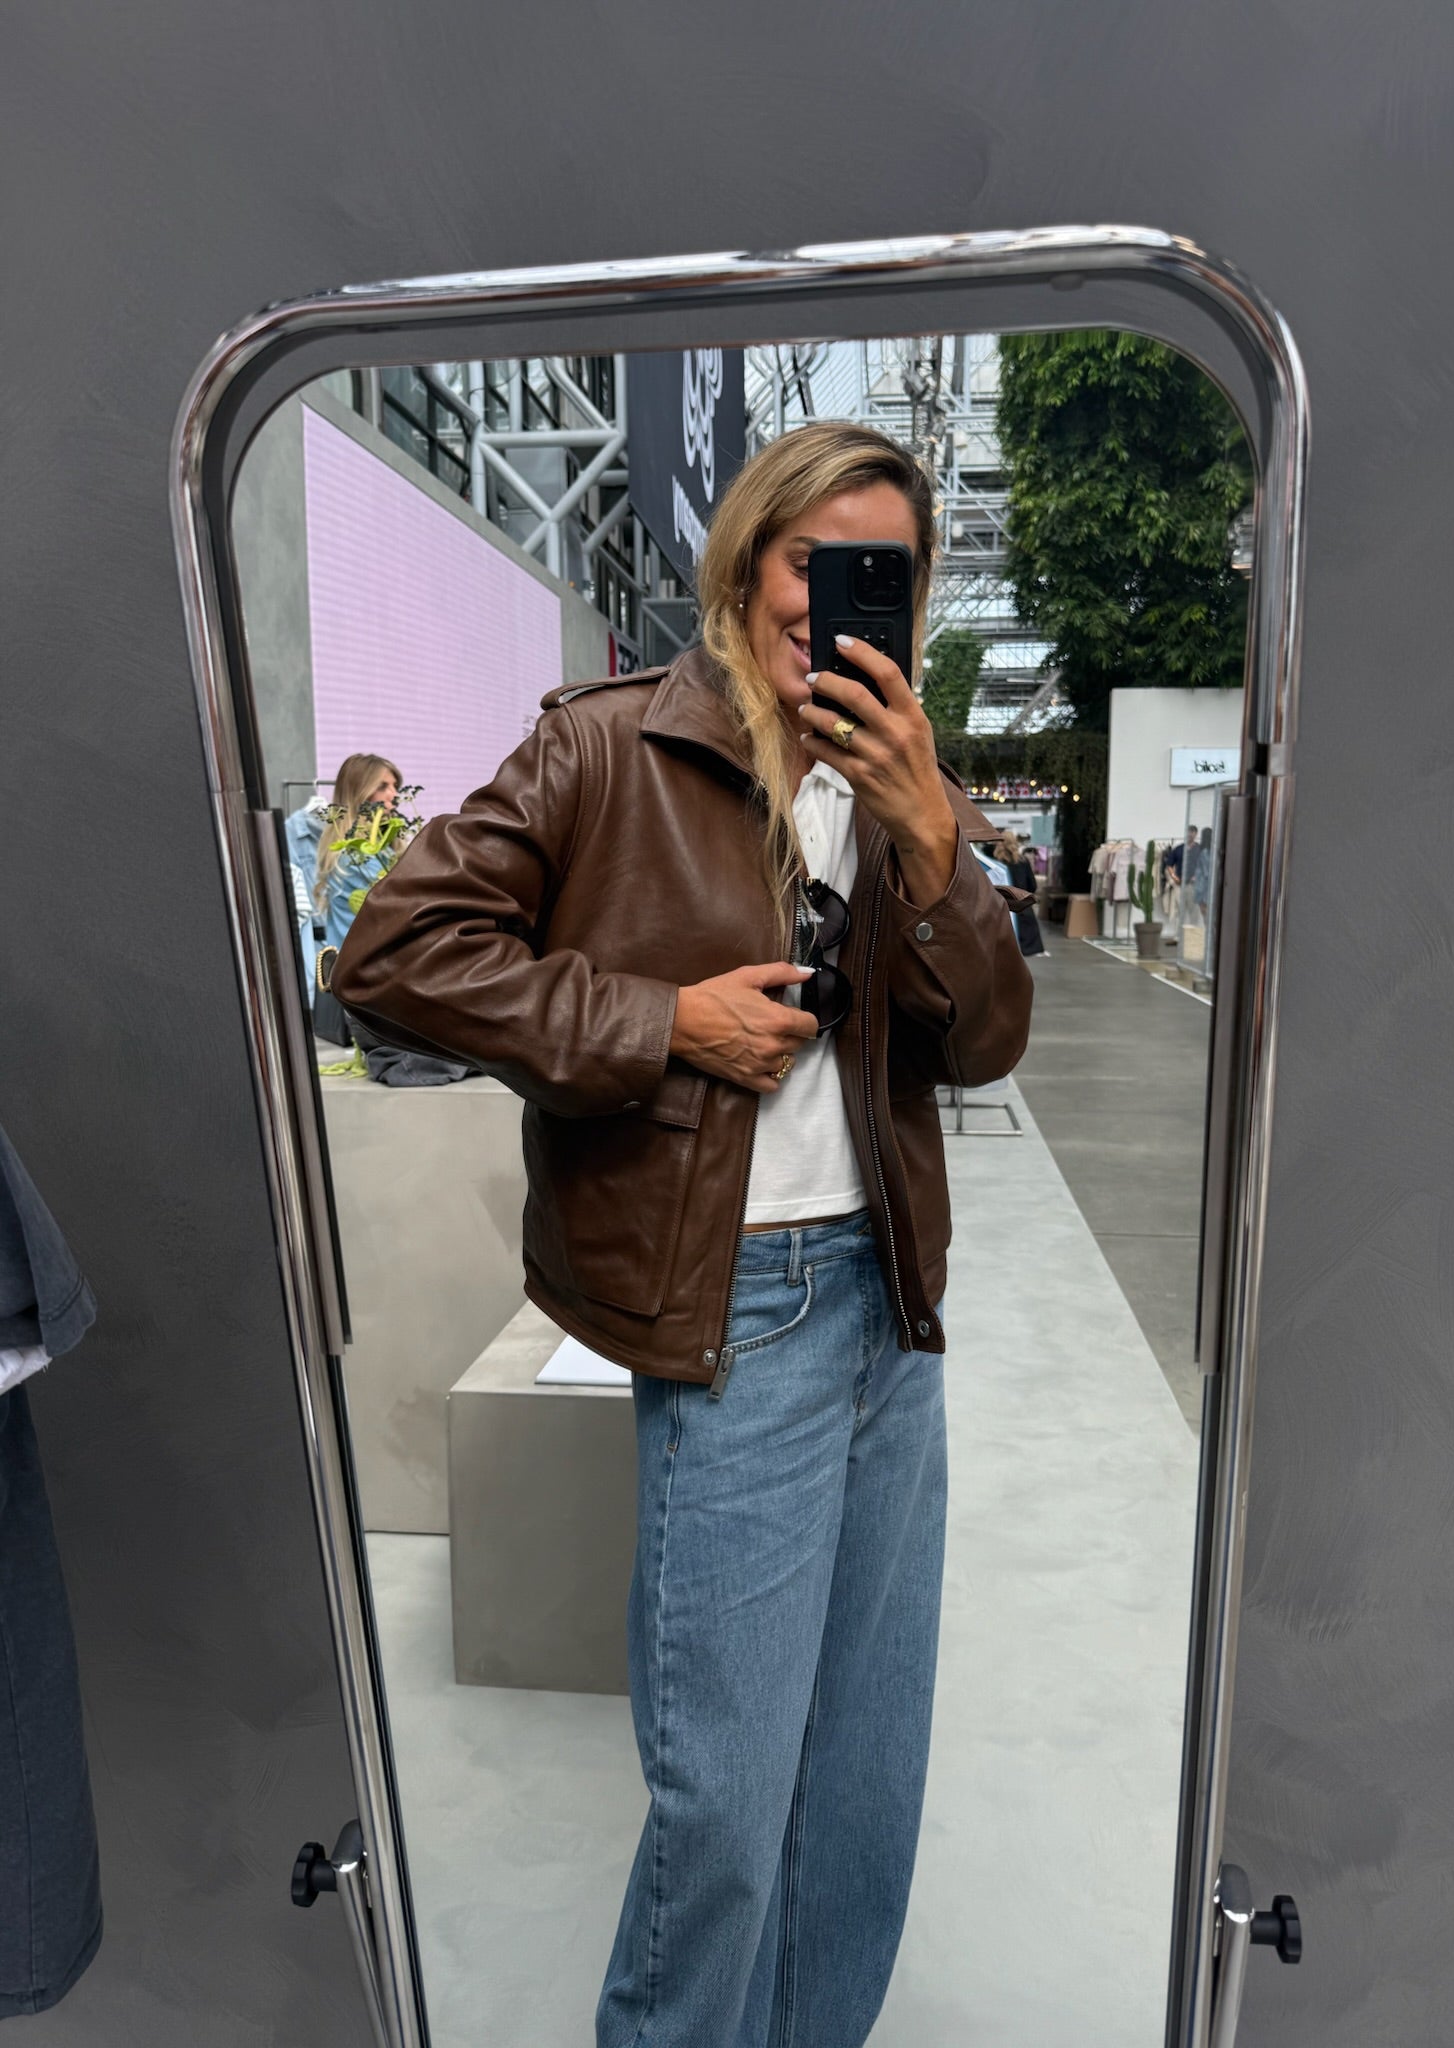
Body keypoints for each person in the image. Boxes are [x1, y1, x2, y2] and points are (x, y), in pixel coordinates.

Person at [333, 420, 1033, 2048]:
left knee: (862, 1782)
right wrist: (661, 1020)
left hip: (891, 1311)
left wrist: (934, 843)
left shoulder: (902, 784)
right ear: (746, 562)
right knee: (724, 1802)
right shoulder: (608, 746)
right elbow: (393, 955)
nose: (832, 602)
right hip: (742, 1307)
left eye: (880, 573)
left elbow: (985, 1042)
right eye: (811, 560)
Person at [285, 753, 402, 975]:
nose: (394, 794)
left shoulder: (378, 848)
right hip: (364, 975)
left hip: (362, 972)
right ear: (360, 792)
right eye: (383, 786)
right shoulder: (354, 856)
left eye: (395, 786)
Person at [998, 828, 1047, 958]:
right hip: (1022, 905)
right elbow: (1032, 884)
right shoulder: (1023, 861)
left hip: (1001, 905)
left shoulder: (996, 862)